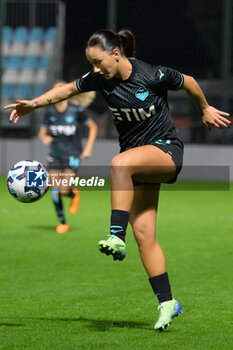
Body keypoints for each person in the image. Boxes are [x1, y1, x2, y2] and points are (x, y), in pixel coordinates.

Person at [4, 29, 231, 331]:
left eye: (98, 62)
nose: (95, 70)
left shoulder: (152, 74)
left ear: (116, 53)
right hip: (139, 164)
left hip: (165, 152)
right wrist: (34, 103)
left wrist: (204, 108)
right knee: (144, 233)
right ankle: (167, 303)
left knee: (119, 162)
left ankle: (115, 236)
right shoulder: (101, 79)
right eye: (91, 64)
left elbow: (188, 82)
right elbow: (67, 90)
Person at [38, 82, 98, 234]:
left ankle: (73, 193)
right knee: (55, 190)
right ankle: (63, 222)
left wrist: (88, 149)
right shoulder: (49, 111)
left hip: (72, 154)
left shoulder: (76, 110)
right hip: (55, 155)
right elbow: (42, 132)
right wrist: (44, 137)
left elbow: (93, 127)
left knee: (64, 190)